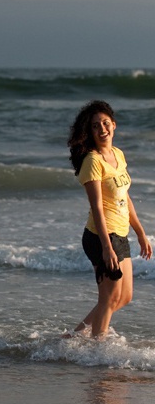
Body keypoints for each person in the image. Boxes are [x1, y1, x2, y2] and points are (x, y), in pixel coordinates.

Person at [67, 100, 152, 338]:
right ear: (90, 132)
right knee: (108, 297)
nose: (102, 129)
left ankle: (74, 338)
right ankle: (98, 350)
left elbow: (125, 196)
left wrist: (141, 233)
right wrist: (106, 247)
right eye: (95, 126)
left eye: (105, 123)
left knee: (124, 297)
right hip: (100, 236)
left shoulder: (117, 154)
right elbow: (96, 207)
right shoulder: (93, 162)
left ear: (114, 125)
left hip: (119, 233)